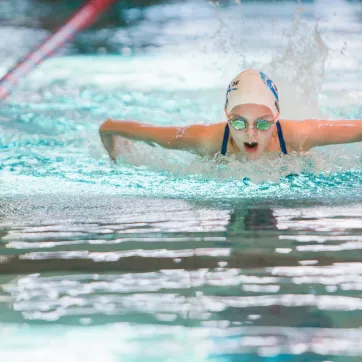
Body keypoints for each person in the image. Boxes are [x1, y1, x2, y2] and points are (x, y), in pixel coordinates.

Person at [99, 69, 362, 161]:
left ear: (277, 116)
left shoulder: (299, 136)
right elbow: (110, 126)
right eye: (238, 122)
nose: (250, 133)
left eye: (262, 123)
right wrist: (115, 157)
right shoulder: (205, 140)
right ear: (226, 115)